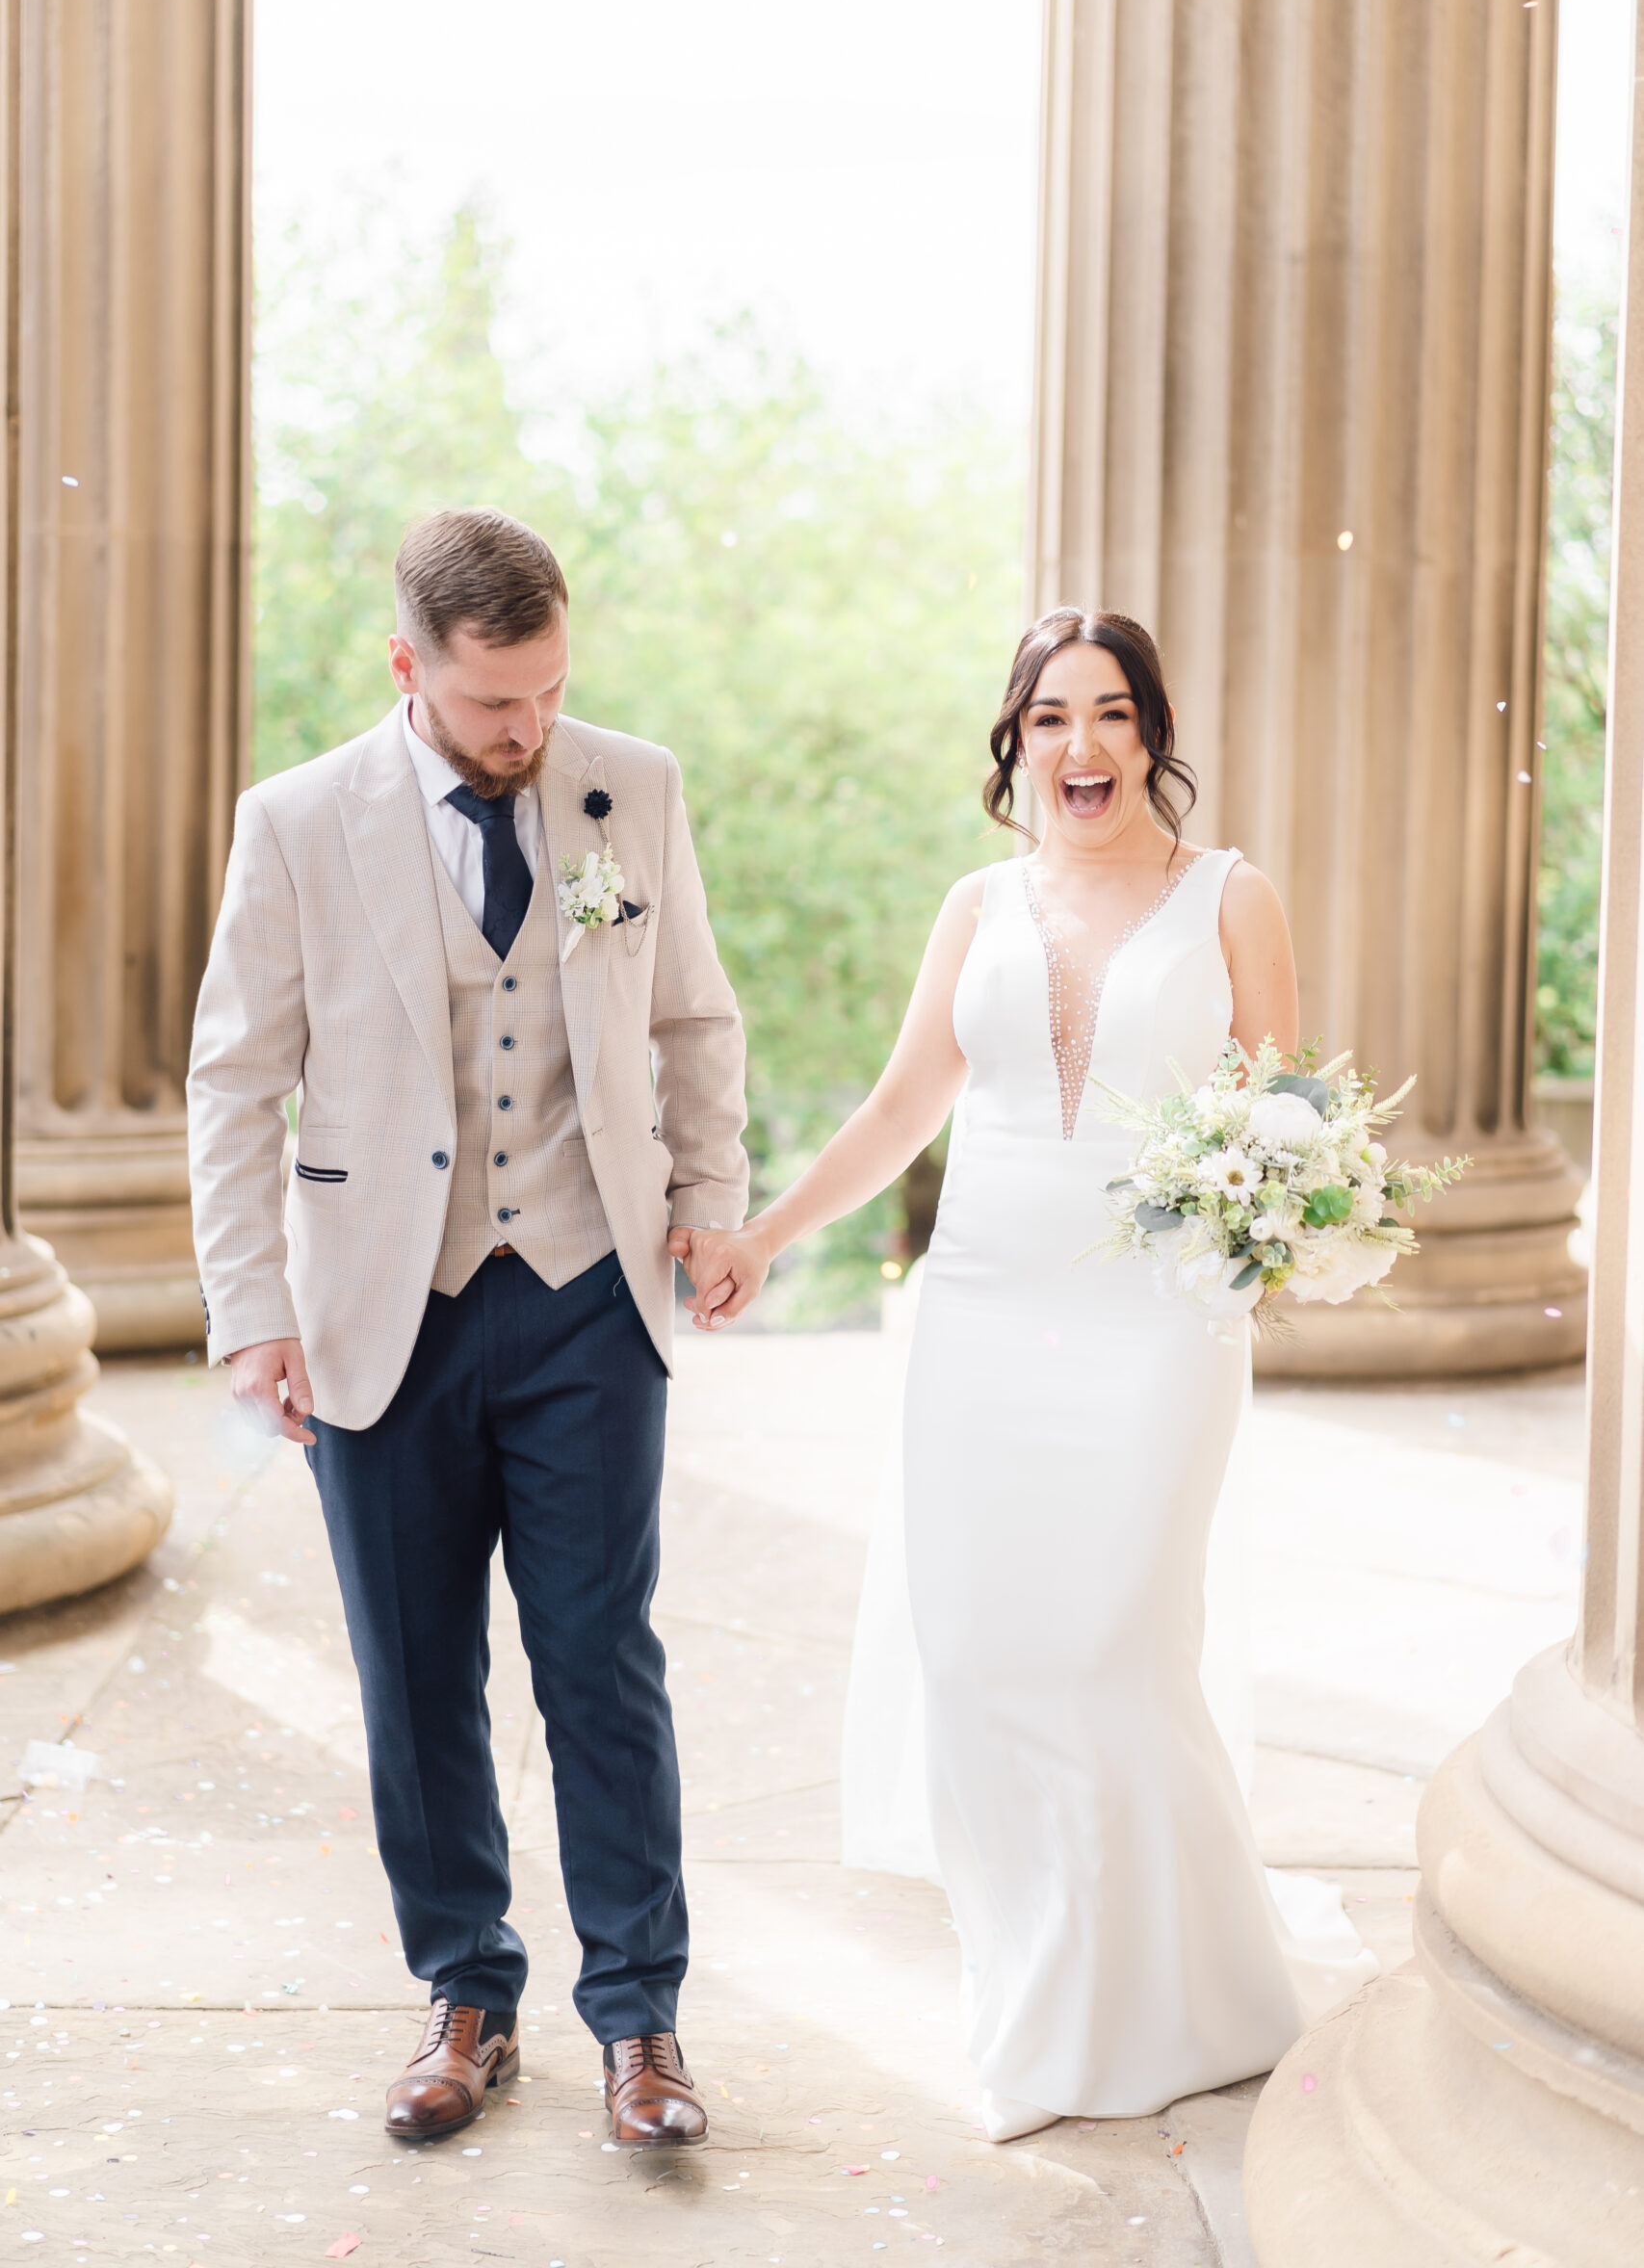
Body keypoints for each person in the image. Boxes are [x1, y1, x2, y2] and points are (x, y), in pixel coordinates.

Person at [681, 607, 1375, 2139]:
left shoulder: (1229, 899)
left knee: (1114, 1651)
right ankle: (1043, 1986)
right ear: (1017, 743)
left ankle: (1181, 2000)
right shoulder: (976, 905)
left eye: (1115, 715)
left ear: (1153, 738)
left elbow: (1291, 1115)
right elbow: (897, 1108)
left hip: (1154, 1334)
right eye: (1053, 716)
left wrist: (1291, 1223)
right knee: (987, 1660)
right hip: (981, 1320)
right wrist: (767, 1234)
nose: (1085, 745)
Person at [188, 507, 747, 2147]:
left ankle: (641, 2021)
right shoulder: (295, 822)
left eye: (550, 692)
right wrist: (252, 1311)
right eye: (496, 702)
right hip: (383, 1307)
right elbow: (234, 1082)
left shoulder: (626, 784)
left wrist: (708, 1195)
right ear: (407, 668)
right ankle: (467, 1996)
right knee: (415, 1674)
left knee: (602, 1667)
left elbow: (695, 1013)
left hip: (587, 1294)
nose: (530, 730)